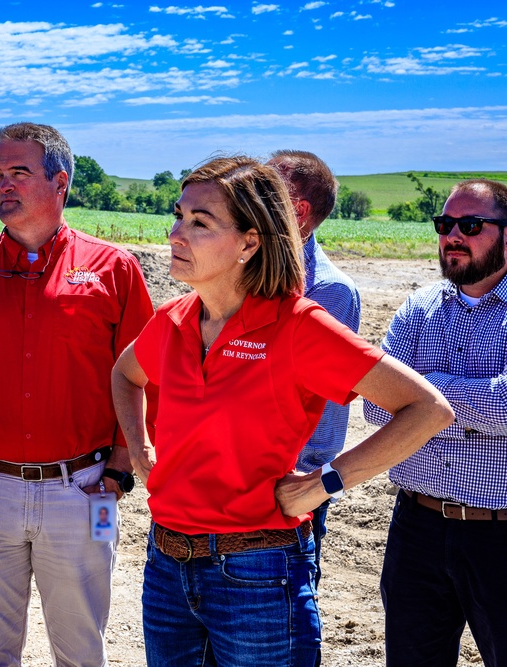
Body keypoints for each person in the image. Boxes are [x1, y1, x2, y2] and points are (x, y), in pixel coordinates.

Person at [111, 156, 453, 666]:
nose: (175, 233)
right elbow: (125, 373)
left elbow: (427, 408)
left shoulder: (298, 326)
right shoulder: (173, 319)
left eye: (199, 223)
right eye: (179, 215)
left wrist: (324, 484)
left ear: (250, 243)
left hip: (258, 573)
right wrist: (139, 448)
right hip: (166, 567)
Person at [0, 122, 154, 666]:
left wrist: (117, 472)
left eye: (18, 172)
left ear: (60, 182)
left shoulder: (114, 271)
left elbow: (145, 381)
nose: (3, 186)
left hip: (84, 493)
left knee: (82, 652)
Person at [365, 179, 507, 667]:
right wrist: (471, 406)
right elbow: (376, 407)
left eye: (470, 225)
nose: (452, 236)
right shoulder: (418, 307)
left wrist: (423, 401)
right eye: (445, 225)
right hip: (416, 527)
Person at [267, 150, 362, 579]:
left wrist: (305, 486)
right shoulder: (249, 268)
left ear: (299, 212)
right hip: (238, 473)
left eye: (268, 190)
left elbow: (307, 396)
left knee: (284, 619)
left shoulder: (329, 292)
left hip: (290, 482)